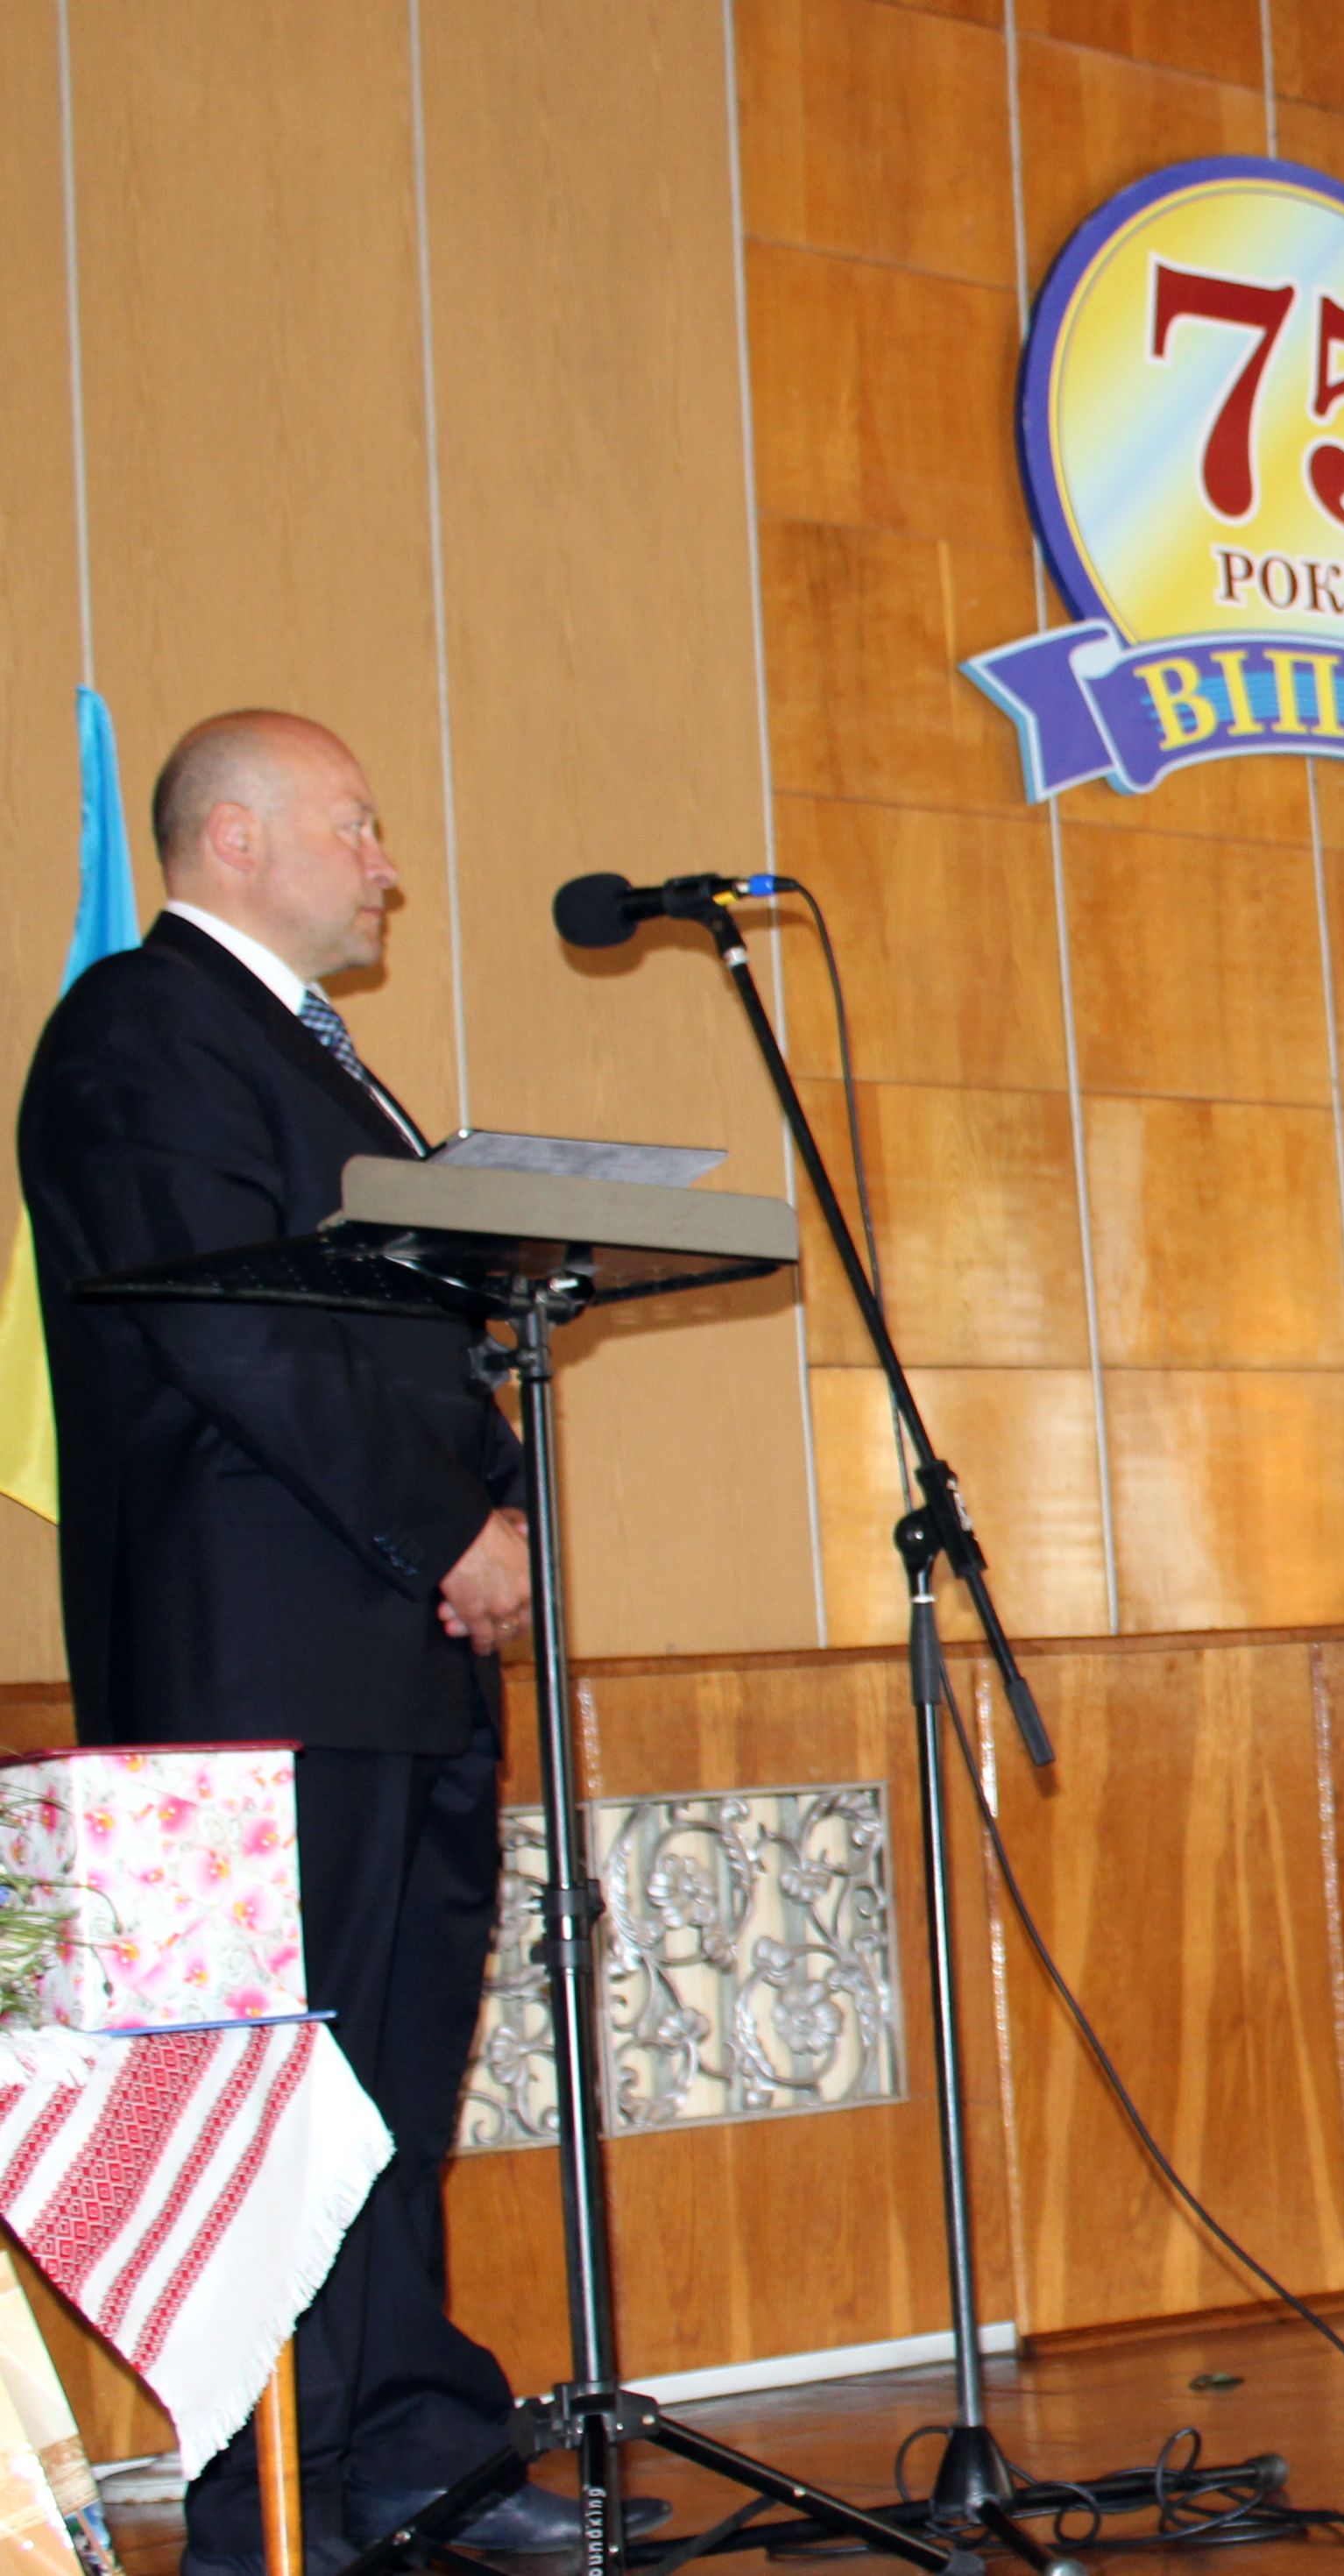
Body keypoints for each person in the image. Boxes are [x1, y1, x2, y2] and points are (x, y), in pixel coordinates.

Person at [17, 713, 643, 2574]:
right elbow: (241, 1333)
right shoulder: (142, 1029)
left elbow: (404, 1323)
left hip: (392, 1644)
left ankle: (407, 2449)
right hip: (262, 1660)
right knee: (276, 2102)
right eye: (355, 827)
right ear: (233, 837)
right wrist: (444, 1530)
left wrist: (494, 1506)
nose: (385, 866)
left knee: (390, 2081)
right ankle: (271, 2501)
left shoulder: (309, 1058)